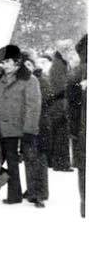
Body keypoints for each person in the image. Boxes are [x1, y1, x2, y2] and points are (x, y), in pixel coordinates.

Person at [0, 45, 41, 205]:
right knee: (11, 161)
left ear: (17, 62)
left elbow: (33, 106)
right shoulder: (0, 80)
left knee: (31, 161)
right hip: (4, 128)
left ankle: (36, 194)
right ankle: (14, 195)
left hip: (23, 128)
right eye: (2, 63)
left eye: (7, 62)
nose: (4, 66)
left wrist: (29, 130)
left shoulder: (29, 80)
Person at [20, 52, 50, 207]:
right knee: (30, 157)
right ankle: (33, 189)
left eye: (28, 65)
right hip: (29, 125)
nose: (26, 68)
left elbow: (44, 100)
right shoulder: (25, 81)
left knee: (38, 158)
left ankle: (39, 192)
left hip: (40, 125)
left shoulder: (40, 80)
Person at [48, 39, 78, 171]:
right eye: (67, 49)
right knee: (61, 134)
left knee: (61, 134)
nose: (69, 52)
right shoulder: (59, 65)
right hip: (60, 104)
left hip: (59, 104)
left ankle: (59, 162)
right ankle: (61, 163)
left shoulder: (59, 63)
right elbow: (61, 86)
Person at [68, 35, 87, 217]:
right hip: (81, 129)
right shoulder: (78, 73)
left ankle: (85, 204)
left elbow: (71, 106)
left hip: (81, 131)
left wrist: (73, 130)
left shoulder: (76, 72)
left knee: (83, 169)